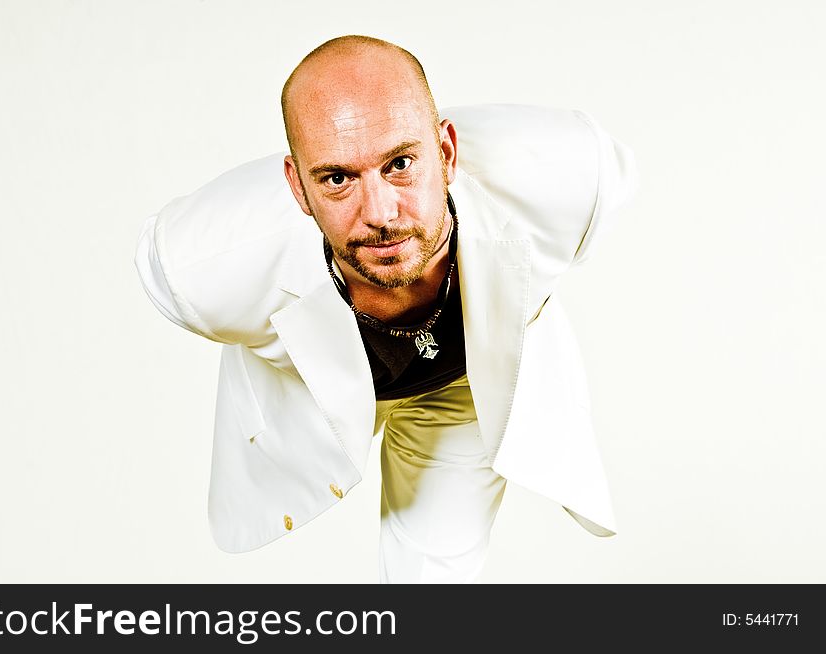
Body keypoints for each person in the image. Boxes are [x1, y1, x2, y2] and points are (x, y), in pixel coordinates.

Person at [134, 35, 638, 583]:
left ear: (445, 153)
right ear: (297, 189)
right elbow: (161, 267)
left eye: (399, 164)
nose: (379, 213)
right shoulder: (199, 270)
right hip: (314, 391)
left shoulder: (564, 177)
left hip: (465, 386)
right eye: (336, 178)